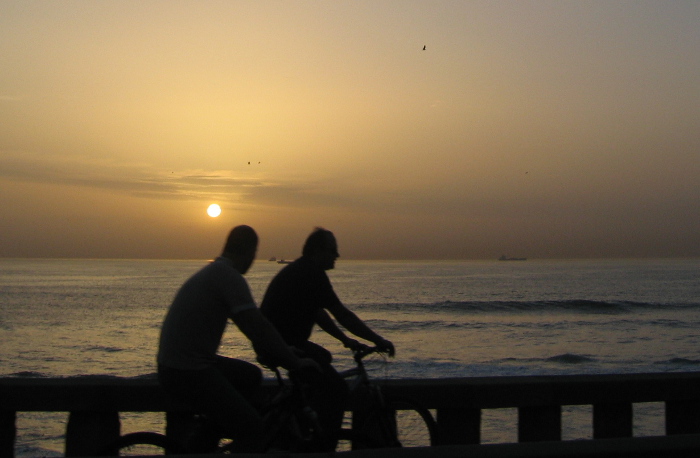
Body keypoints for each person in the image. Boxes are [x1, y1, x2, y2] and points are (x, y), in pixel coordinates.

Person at [157, 225, 318, 453]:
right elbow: (257, 327)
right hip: (188, 371)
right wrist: (294, 362)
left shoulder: (215, 271)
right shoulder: (229, 277)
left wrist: (283, 350)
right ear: (251, 252)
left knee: (250, 375)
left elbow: (254, 327)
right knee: (253, 428)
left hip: (177, 364)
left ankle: (206, 438)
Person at [260, 227, 395, 451]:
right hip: (286, 346)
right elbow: (342, 314)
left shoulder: (303, 270)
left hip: (282, 342)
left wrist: (345, 340)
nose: (337, 255)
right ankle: (324, 447)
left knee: (323, 357)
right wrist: (378, 340)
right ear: (318, 251)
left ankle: (304, 427)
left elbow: (318, 312)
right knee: (337, 390)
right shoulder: (312, 273)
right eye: (333, 250)